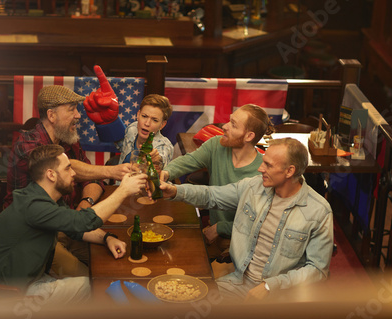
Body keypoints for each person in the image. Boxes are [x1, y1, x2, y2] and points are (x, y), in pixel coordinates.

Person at [160, 138, 334, 301]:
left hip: (282, 296)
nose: (260, 168)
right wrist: (175, 191)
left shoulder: (318, 211)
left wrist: (269, 286)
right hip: (238, 282)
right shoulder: (253, 186)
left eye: (268, 165)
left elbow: (317, 270)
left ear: (290, 171)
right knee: (188, 301)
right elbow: (211, 195)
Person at [0, 145, 148, 303]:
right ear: (51, 175)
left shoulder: (43, 196)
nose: (74, 173)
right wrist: (124, 190)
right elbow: (85, 220)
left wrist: (107, 238)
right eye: (68, 168)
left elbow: (75, 228)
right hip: (9, 293)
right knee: (95, 286)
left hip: (27, 277)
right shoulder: (36, 206)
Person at [5, 85, 130, 278]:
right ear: (52, 115)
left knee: (115, 262)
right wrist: (113, 171)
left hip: (69, 225)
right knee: (87, 281)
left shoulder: (68, 138)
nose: (78, 115)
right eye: (71, 109)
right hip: (35, 236)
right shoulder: (27, 145)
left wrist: (85, 203)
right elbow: (64, 165)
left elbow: (93, 178)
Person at [160, 104, 273, 256]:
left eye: (233, 125)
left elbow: (260, 225)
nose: (224, 126)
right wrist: (166, 173)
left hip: (244, 242)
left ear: (249, 136)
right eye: (229, 121)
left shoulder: (262, 173)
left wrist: (220, 228)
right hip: (212, 233)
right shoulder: (216, 144)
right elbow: (188, 161)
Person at [115, 94, 174, 166]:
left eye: (154, 120)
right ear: (138, 115)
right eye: (144, 116)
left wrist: (156, 159)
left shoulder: (165, 145)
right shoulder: (132, 128)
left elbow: (161, 158)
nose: (147, 123)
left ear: (162, 125)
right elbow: (123, 147)